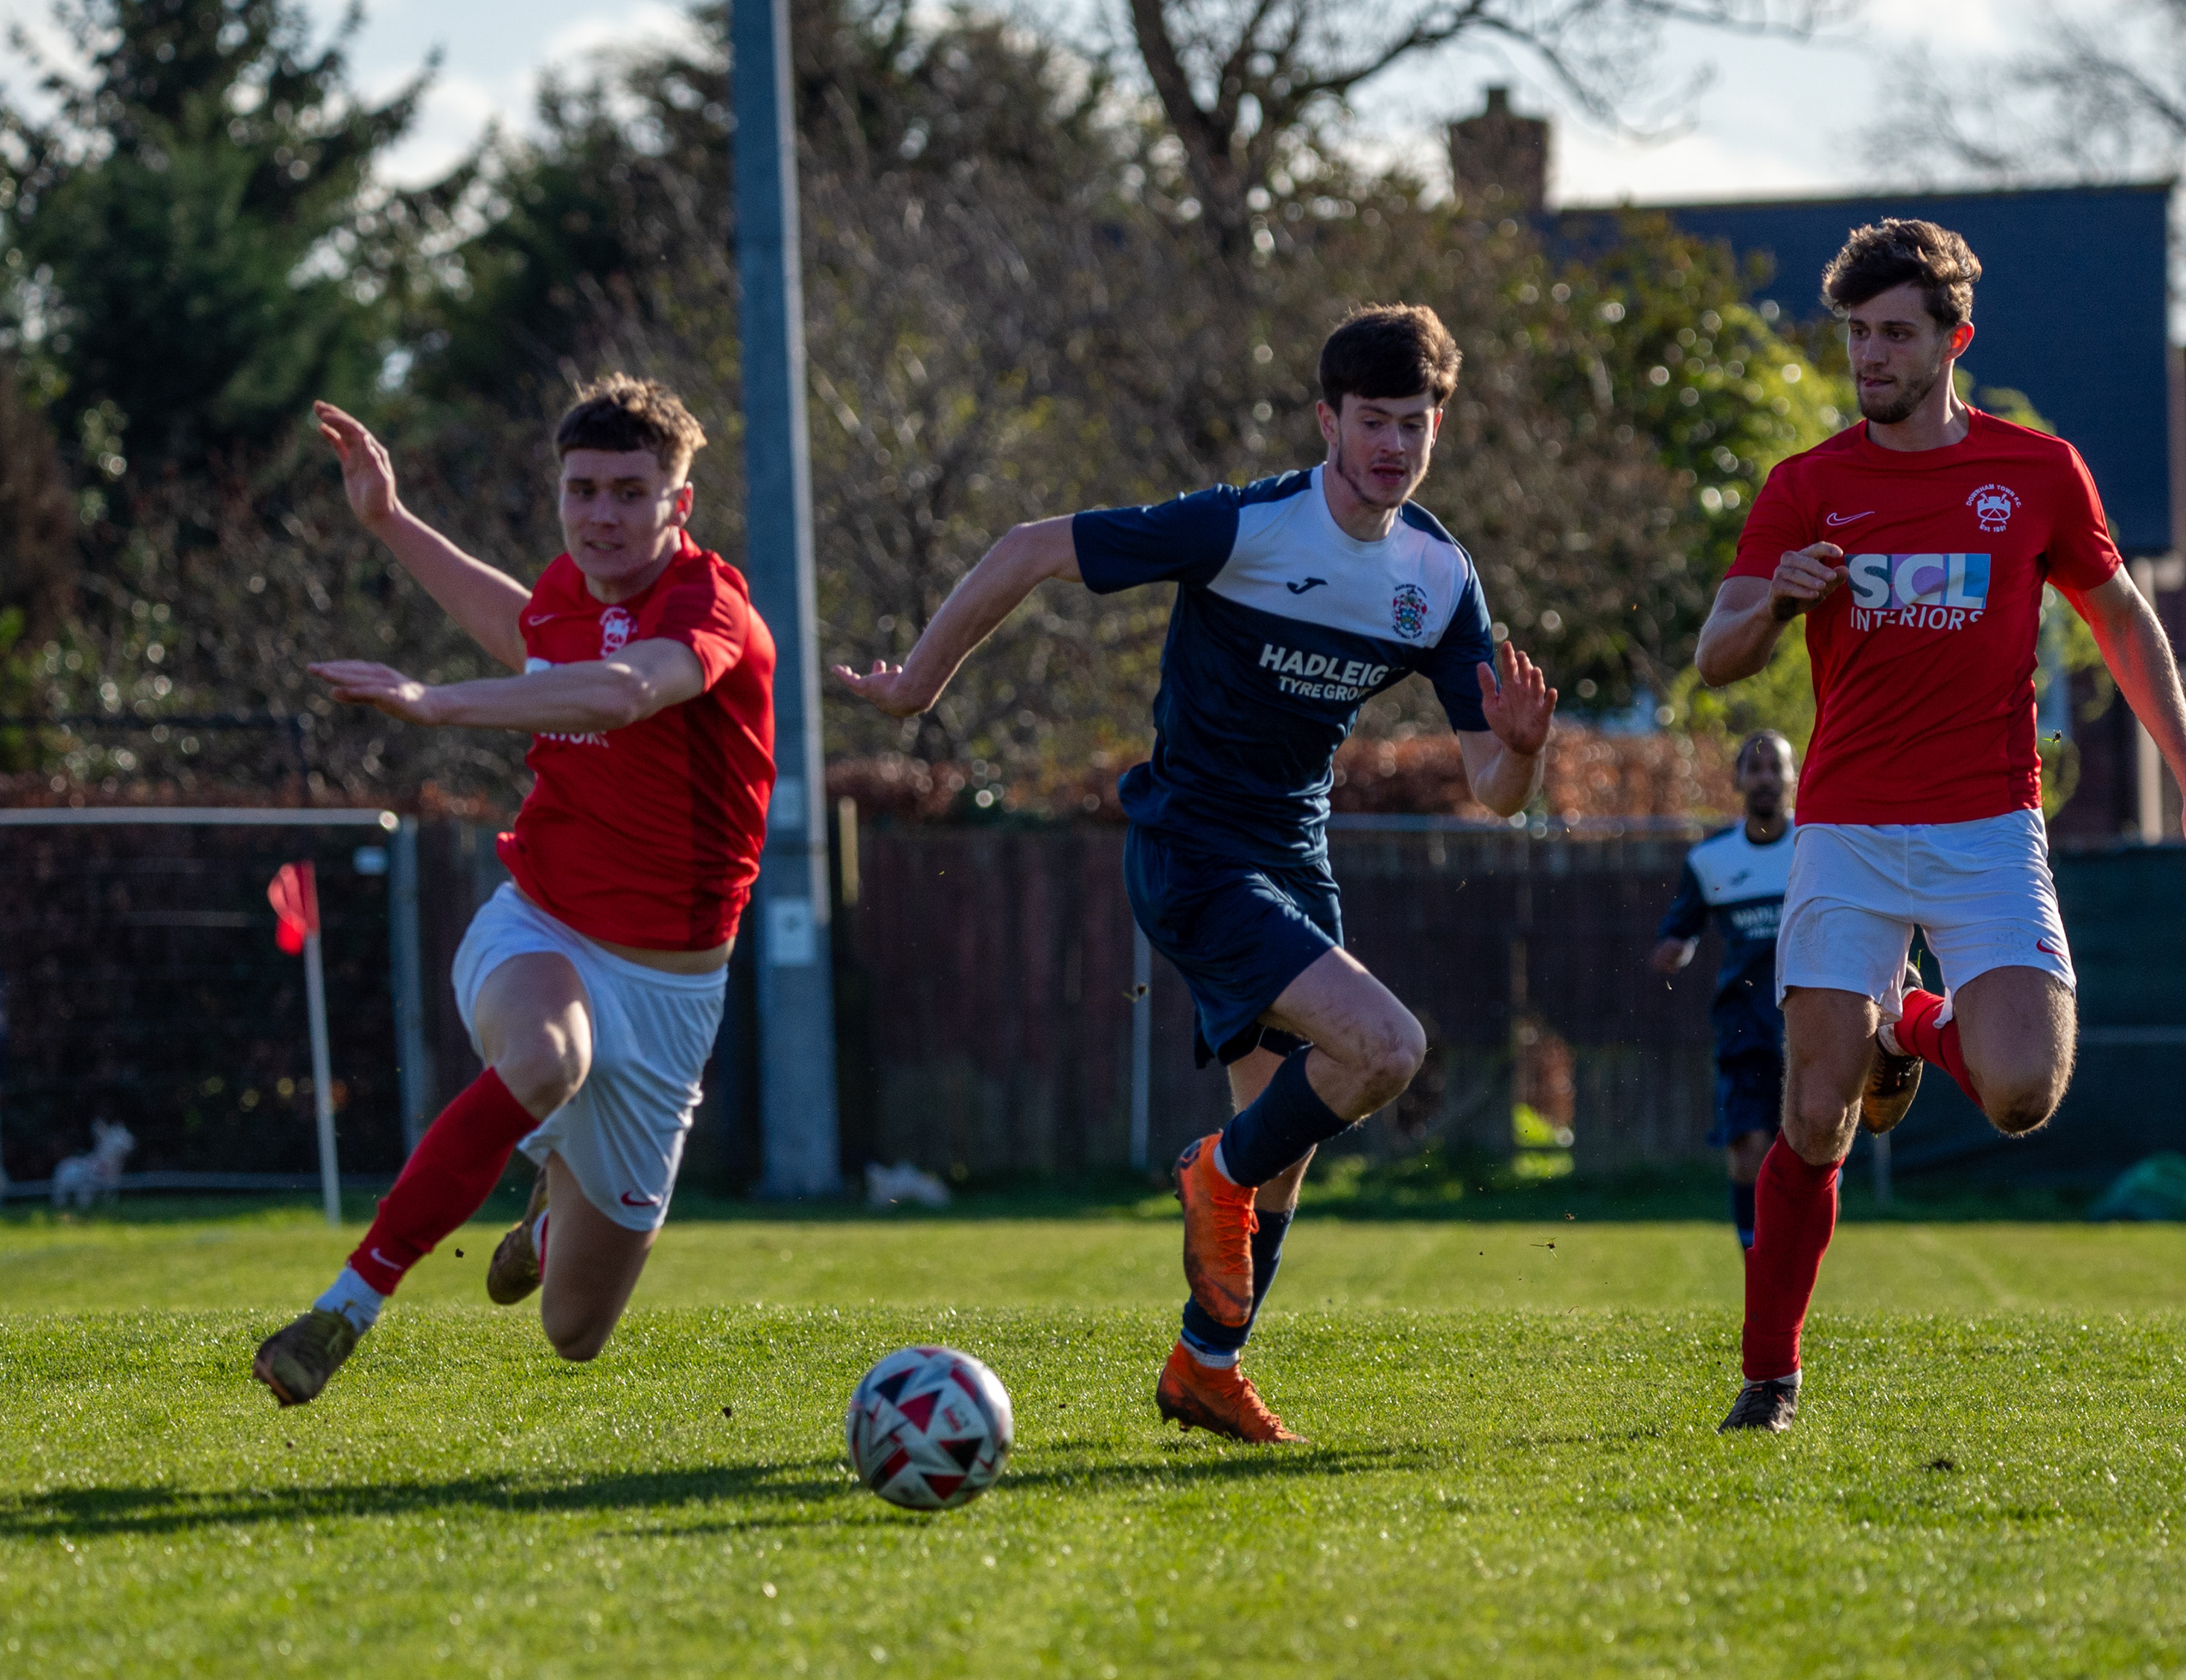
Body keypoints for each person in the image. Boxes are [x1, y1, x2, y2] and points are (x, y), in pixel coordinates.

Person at [836, 304, 1556, 1445]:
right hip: (1192, 849)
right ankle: (1212, 1175)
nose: (1393, 445)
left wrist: (1520, 748)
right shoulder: (1244, 526)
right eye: (1372, 420)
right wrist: (919, 686)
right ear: (1326, 420)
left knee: (1285, 1150)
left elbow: (1496, 791)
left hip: (1295, 858)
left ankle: (1205, 1366)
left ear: (1438, 429)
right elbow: (1028, 547)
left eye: (1414, 424)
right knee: (1385, 1048)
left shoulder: (1437, 575)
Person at [1692, 220, 2186, 1433]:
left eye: (1896, 334)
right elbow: (1716, 653)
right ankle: (1770, 1377)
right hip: (1846, 831)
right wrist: (1776, 603)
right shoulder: (1807, 486)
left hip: (1988, 830)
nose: (1870, 356)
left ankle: (1911, 1022)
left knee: (2022, 1093)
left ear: (1955, 341)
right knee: (1815, 1116)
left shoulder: (2037, 473)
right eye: (1858, 334)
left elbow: (2123, 621)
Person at [251, 376, 776, 1406]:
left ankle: (547, 1219)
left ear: (680, 504)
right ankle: (346, 1307)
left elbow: (625, 692)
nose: (602, 515)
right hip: (542, 928)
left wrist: (434, 702)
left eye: (630, 492)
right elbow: (519, 626)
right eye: (583, 490)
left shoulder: (707, 605)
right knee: (546, 1058)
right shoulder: (569, 592)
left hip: (672, 994)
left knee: (574, 1333)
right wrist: (389, 519)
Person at [1650, 730, 1805, 1250]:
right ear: (1737, 780)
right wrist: (1674, 949)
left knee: (1812, 1150)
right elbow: (1681, 928)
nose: (1765, 778)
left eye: (1775, 767)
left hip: (1811, 1023)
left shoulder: (1817, 848)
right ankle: (1755, 1262)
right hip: (1744, 1023)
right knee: (1747, 1150)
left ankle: (1799, 1250)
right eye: (1754, 768)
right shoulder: (1711, 859)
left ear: (1793, 777)